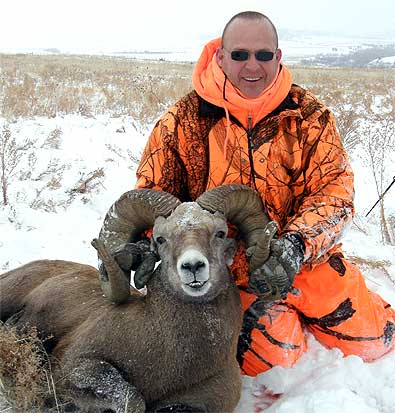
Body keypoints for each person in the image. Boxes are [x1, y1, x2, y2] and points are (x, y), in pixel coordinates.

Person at [135, 11, 395, 376]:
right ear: (221, 56)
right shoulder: (181, 121)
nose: (251, 65)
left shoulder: (310, 116)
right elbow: (152, 199)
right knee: (276, 366)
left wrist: (296, 245)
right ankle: (279, 324)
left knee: (375, 342)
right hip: (228, 273)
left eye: (263, 54)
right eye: (239, 55)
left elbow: (334, 194)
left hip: (305, 260)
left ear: (278, 56)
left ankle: (340, 307)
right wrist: (143, 242)